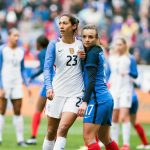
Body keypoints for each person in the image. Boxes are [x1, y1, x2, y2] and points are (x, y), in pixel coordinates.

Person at [42, 14, 84, 150]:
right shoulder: (54, 44)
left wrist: (85, 58)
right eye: (60, 23)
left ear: (74, 26)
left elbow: (91, 67)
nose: (61, 26)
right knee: (50, 132)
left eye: (65, 23)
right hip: (57, 92)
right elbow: (47, 68)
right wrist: (48, 87)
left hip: (75, 93)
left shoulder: (82, 44)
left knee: (63, 128)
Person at [78, 24, 119, 150]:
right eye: (84, 36)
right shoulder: (97, 51)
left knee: (89, 138)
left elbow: (91, 80)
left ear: (97, 38)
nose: (87, 39)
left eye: (91, 37)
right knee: (105, 138)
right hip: (106, 99)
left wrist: (84, 102)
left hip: (97, 99)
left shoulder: (92, 53)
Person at [0, 28, 28, 147]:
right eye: (14, 35)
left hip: (17, 83)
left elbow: (22, 69)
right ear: (9, 37)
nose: (17, 38)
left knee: (17, 111)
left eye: (18, 36)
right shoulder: (2, 50)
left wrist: (27, 85)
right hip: (5, 83)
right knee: (1, 110)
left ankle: (20, 139)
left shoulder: (21, 50)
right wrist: (1, 86)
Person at [108, 37, 138, 150]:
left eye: (120, 44)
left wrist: (127, 72)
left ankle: (126, 144)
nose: (118, 47)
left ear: (125, 46)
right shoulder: (111, 58)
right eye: (117, 44)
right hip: (114, 90)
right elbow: (108, 73)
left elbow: (135, 74)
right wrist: (106, 83)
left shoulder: (130, 58)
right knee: (114, 117)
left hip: (126, 90)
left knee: (124, 116)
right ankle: (114, 143)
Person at [26, 35, 49, 145]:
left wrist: (32, 76)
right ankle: (58, 138)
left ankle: (33, 136)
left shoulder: (41, 53)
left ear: (39, 44)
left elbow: (43, 68)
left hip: (48, 84)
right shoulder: (51, 51)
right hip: (58, 84)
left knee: (38, 109)